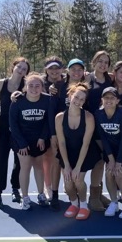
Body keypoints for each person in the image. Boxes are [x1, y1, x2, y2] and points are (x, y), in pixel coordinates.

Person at [55, 82, 100, 220]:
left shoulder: (88, 117)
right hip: (67, 153)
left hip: (84, 153)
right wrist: (67, 165)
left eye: (82, 99)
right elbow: (61, 142)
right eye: (76, 97)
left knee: (78, 181)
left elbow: (86, 144)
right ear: (70, 95)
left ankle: (84, 206)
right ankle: (74, 204)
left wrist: (78, 167)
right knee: (68, 183)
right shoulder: (60, 117)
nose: (78, 101)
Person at [0, 57, 30, 209]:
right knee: (2, 160)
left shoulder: (25, 86)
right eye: (19, 67)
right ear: (13, 67)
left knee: (19, 161)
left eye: (24, 69)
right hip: (3, 125)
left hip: (20, 129)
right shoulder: (0, 84)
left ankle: (16, 189)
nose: (21, 71)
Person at [48, 58, 86, 211]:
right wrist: (53, 134)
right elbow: (52, 111)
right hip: (61, 132)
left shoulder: (85, 87)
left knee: (78, 166)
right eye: (73, 69)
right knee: (58, 162)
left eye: (79, 69)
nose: (76, 72)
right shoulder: (57, 87)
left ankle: (83, 197)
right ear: (68, 71)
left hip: (79, 133)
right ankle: (55, 195)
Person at [9, 72, 51, 210]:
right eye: (31, 85)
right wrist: (21, 143)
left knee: (39, 167)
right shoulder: (17, 102)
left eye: (37, 85)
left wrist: (42, 137)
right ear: (25, 87)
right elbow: (13, 124)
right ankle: (25, 197)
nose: (34, 88)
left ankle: (41, 195)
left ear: (42, 87)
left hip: (38, 140)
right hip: (21, 140)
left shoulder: (47, 100)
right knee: (25, 167)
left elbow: (48, 122)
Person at [95, 87, 122, 219]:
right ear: (102, 100)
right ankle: (114, 202)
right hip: (112, 151)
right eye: (106, 98)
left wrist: (118, 161)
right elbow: (103, 137)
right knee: (108, 174)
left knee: (119, 176)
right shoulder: (98, 114)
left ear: (117, 100)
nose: (109, 100)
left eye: (112, 98)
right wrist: (111, 159)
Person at [84, 50, 113, 211]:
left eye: (106, 62)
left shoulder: (110, 79)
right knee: (98, 161)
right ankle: (93, 198)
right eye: (100, 61)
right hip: (91, 125)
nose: (103, 64)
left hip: (106, 125)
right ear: (94, 62)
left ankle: (98, 193)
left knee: (102, 160)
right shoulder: (88, 78)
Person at [42, 56, 66, 200]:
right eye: (51, 68)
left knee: (64, 155)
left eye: (57, 68)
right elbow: (27, 91)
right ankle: (48, 186)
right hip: (45, 125)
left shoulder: (66, 82)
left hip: (64, 124)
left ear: (62, 69)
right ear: (46, 70)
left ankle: (64, 182)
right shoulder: (41, 83)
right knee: (48, 156)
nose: (54, 71)